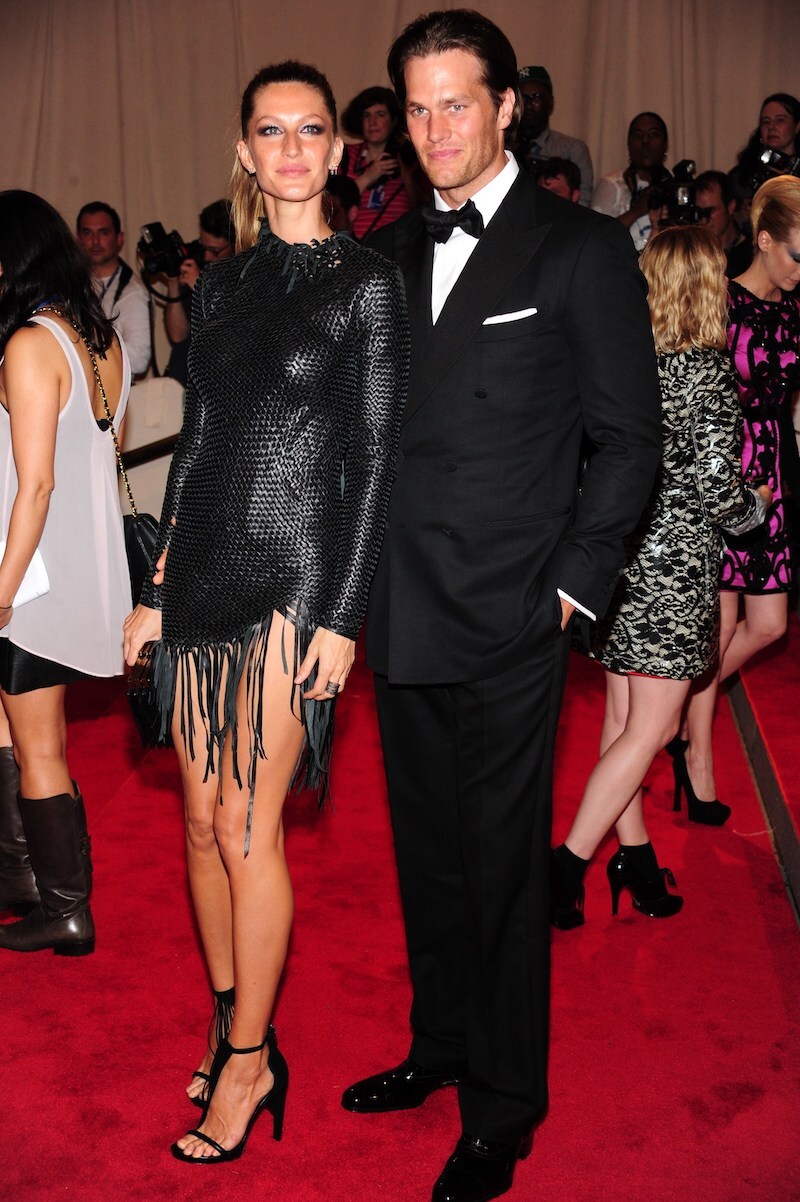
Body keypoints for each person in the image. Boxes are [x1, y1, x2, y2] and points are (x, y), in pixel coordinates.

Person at [340, 12, 662, 1202]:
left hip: (517, 614)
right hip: (402, 609)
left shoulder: (577, 247)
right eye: (415, 108)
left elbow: (628, 441)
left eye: (455, 104)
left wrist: (573, 590)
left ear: (507, 105)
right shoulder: (381, 250)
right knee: (425, 854)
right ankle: (441, 1044)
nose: (432, 131)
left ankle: (503, 1104)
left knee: (503, 869)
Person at [122, 61, 408, 1164]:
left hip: (296, 581)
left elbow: (373, 459)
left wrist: (340, 615)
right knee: (197, 823)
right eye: (269, 131)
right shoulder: (227, 283)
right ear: (244, 152)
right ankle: (232, 1009)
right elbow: (196, 445)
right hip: (199, 583)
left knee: (250, 828)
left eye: (311, 131)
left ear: (338, 151)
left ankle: (250, 1062)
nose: (291, 148)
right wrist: (156, 592)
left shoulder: (366, 284)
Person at [550, 226, 770, 930]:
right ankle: (565, 866)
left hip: (619, 560)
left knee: (624, 722)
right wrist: (757, 504)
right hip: (674, 570)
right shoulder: (706, 375)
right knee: (654, 726)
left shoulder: (624, 364)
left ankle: (634, 860)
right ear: (708, 290)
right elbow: (718, 491)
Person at [0, 189, 132, 955]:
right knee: (13, 728)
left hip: (34, 576)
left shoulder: (28, 343)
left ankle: (66, 908)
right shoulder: (94, 333)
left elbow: (37, 483)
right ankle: (21, 880)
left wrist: (5, 588)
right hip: (78, 563)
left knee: (40, 745)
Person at [674, 175, 800, 823]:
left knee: (770, 626)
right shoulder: (721, 301)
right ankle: (697, 762)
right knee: (719, 627)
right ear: (766, 239)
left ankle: (678, 717)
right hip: (723, 473)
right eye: (796, 254)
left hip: (773, 473)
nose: (799, 269)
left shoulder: (796, 308)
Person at [163, 199, 234, 387]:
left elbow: (232, 335)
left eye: (215, 250)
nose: (207, 256)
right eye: (204, 246)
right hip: (184, 380)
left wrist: (201, 287)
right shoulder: (195, 260)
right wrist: (173, 281)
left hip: (223, 384)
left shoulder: (249, 272)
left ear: (236, 243)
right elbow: (178, 335)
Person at [76, 200, 151, 375]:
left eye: (103, 232)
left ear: (119, 238)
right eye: (87, 233)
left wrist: (85, 352)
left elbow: (140, 359)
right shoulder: (68, 284)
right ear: (78, 238)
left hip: (111, 394)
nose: (95, 242)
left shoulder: (132, 291)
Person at [339, 86, 417, 239]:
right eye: (366, 115)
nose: (372, 122)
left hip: (395, 251)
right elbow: (333, 206)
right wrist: (368, 177)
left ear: (394, 120)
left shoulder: (409, 159)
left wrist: (409, 179)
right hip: (352, 249)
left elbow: (422, 209)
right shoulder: (345, 155)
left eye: (380, 115)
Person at [514, 66, 593, 205]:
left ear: (550, 103)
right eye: (522, 98)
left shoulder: (572, 149)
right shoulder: (502, 147)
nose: (529, 105)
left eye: (536, 98)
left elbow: (583, 203)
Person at [592, 112, 671, 245]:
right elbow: (595, 236)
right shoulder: (611, 185)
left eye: (653, 134)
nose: (645, 141)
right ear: (629, 145)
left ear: (664, 144)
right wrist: (637, 210)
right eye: (638, 136)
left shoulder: (674, 186)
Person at [695, 169, 752, 278]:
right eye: (699, 211)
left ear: (731, 207)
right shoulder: (691, 252)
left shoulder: (751, 253)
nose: (704, 219)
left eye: (710, 210)